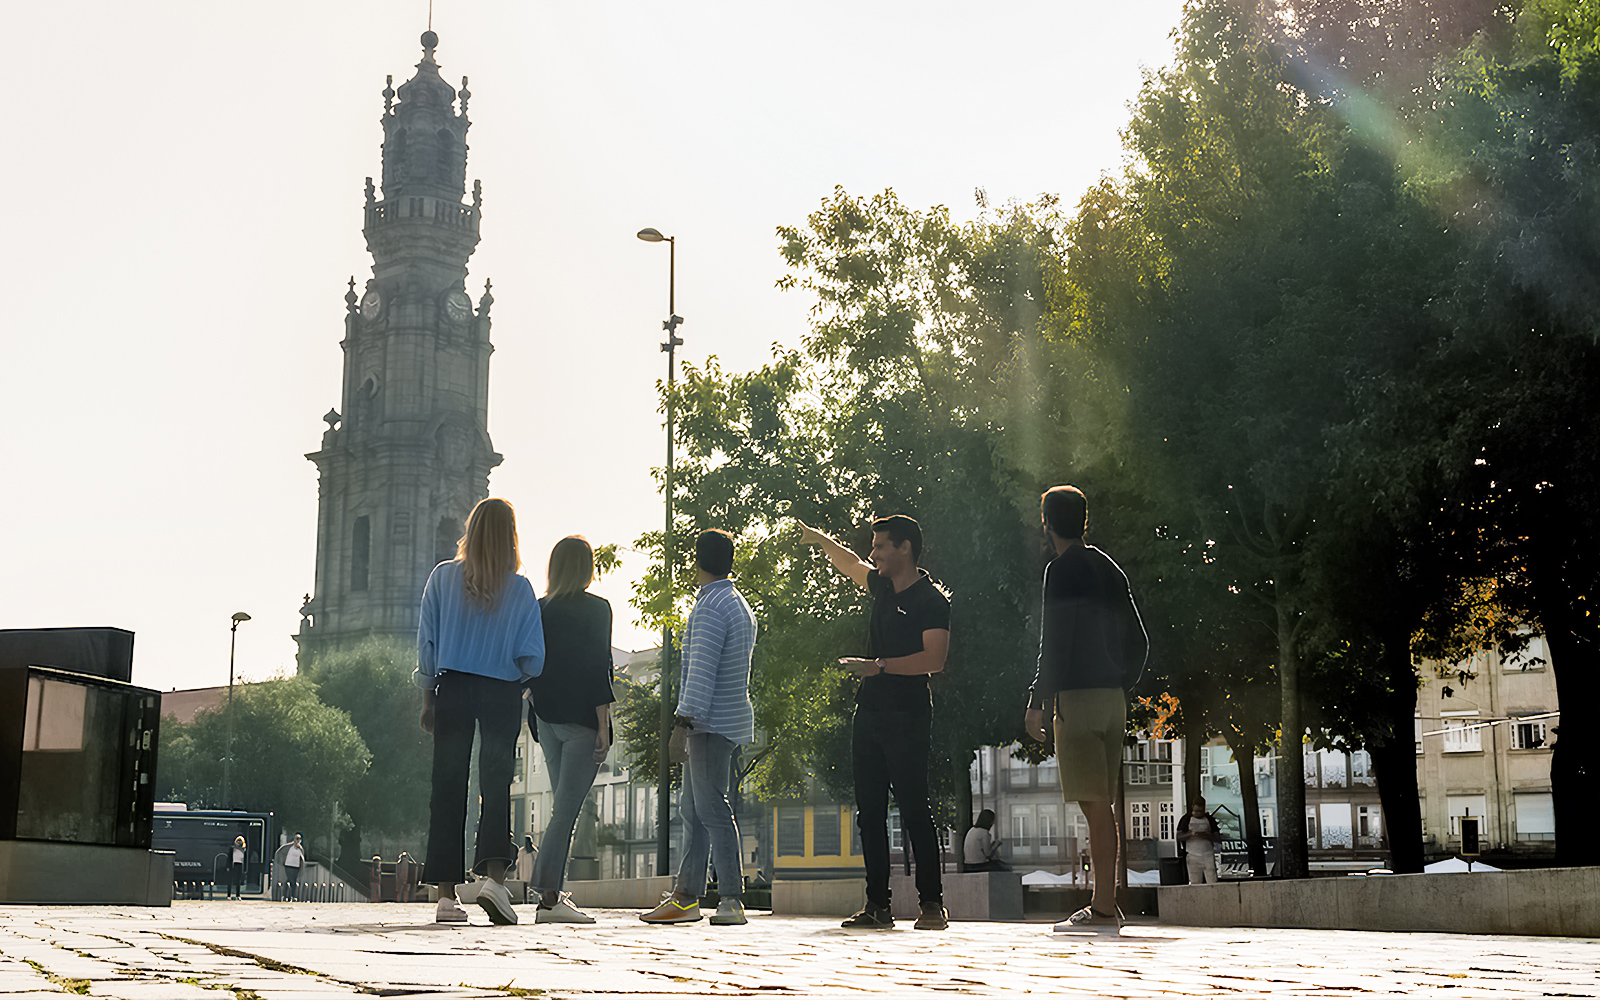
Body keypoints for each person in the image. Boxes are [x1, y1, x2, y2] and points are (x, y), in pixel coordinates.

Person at [799, 515, 950, 931]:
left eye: (881, 545)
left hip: (909, 715)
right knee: (869, 814)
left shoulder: (932, 601)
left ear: (904, 548)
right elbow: (848, 563)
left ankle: (932, 904)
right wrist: (819, 539)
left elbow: (934, 660)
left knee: (915, 808)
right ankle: (877, 907)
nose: (873, 553)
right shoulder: (881, 587)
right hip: (869, 714)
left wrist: (878, 666)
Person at [416, 497, 547, 926]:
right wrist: (518, 681)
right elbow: (534, 657)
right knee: (496, 785)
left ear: (469, 531)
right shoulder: (521, 588)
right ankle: (494, 880)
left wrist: (428, 698)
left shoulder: (441, 578)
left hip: (451, 687)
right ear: (511, 537)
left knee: (447, 789)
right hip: (501, 691)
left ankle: (445, 896)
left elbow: (427, 647)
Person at [1023, 486, 1148, 931]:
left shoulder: (1059, 570)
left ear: (1046, 522)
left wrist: (1039, 700)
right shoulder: (1110, 570)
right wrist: (1120, 683)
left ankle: (1101, 909)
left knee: (1095, 807)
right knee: (1105, 806)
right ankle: (1106, 903)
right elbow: (1140, 641)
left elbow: (1053, 641)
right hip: (1113, 700)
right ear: (1084, 520)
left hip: (1076, 699)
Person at [640, 530, 758, 927]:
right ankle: (686, 895)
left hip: (708, 723)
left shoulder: (710, 607)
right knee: (693, 810)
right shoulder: (738, 603)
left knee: (710, 808)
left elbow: (700, 673)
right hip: (726, 719)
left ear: (698, 561)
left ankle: (731, 899)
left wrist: (681, 723)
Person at [526, 536, 616, 924]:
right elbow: (598, 668)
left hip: (546, 720)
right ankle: (548, 899)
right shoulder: (597, 609)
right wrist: (603, 725)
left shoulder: (539, 608)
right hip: (581, 723)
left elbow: (529, 661)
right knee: (565, 810)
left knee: (561, 809)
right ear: (587, 568)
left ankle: (550, 894)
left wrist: (531, 701)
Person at [1178, 798, 1221, 885]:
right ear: (1192, 808)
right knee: (1195, 881)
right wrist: (1191, 834)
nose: (1198, 813)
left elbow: (1217, 838)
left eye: (1200, 811)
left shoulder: (1209, 819)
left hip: (1208, 854)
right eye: (1196, 811)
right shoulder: (1186, 819)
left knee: (1212, 880)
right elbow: (1178, 836)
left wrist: (1208, 836)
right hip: (1192, 854)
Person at [283, 833, 305, 901]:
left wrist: (302, 866)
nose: (298, 840)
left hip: (296, 866)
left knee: (293, 881)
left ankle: (292, 896)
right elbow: (282, 851)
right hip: (288, 865)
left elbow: (302, 858)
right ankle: (287, 896)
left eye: (299, 839)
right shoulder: (289, 846)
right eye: (296, 838)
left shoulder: (300, 849)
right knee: (290, 880)